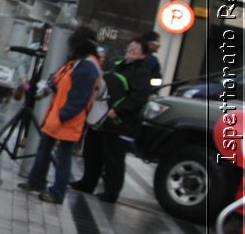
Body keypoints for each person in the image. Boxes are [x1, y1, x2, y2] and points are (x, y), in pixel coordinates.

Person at [72, 32, 161, 202]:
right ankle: (87, 182)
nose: (132, 50)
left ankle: (111, 192)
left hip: (119, 123)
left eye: (137, 49)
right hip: (101, 118)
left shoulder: (142, 72)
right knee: (92, 152)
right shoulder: (117, 65)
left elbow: (138, 97)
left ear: (143, 54)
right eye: (131, 47)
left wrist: (118, 111)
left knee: (113, 159)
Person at [22, 25, 103, 204]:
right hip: (59, 116)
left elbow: (80, 97)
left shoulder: (86, 66)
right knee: (46, 150)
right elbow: (60, 83)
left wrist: (63, 115)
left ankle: (57, 193)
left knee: (63, 157)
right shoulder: (78, 62)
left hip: (66, 119)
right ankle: (36, 182)